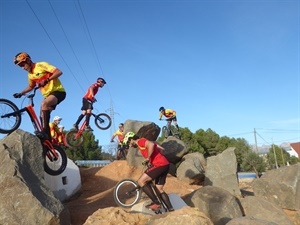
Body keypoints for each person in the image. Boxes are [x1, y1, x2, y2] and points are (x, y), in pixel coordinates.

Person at [13, 52, 66, 139]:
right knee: (42, 115)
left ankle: (44, 132)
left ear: (28, 60)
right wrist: (21, 93)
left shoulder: (41, 65)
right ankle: (48, 138)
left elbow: (59, 72)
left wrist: (47, 79)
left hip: (58, 92)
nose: (22, 68)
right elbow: (31, 86)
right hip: (48, 96)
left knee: (44, 104)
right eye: (20, 67)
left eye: (23, 65)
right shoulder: (30, 75)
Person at [123, 132, 174, 211]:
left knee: (141, 181)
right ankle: (171, 209)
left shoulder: (140, 141)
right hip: (165, 164)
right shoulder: (144, 142)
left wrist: (148, 158)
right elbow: (162, 149)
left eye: (128, 143)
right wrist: (154, 158)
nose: (129, 145)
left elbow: (151, 145)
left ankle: (156, 203)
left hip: (159, 164)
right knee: (159, 189)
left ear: (131, 139)